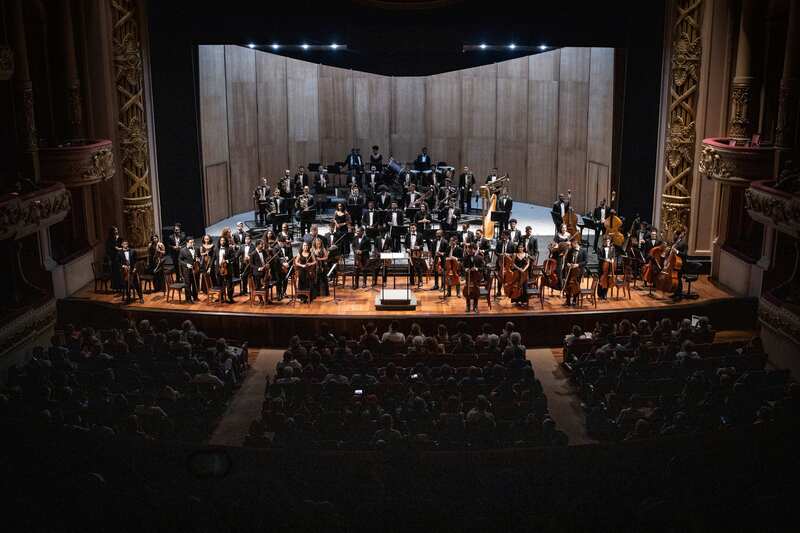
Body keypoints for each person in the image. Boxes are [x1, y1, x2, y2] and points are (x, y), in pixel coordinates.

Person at [562, 240, 586, 307]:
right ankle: (568, 301)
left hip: (578, 271)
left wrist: (578, 265)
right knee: (568, 285)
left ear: (576, 243)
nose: (572, 246)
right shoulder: (571, 250)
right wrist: (568, 263)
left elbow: (585, 261)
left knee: (576, 286)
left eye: (573, 244)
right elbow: (567, 259)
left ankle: (575, 300)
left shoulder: (583, 251)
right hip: (571, 271)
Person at [462, 243, 485, 313]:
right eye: (469, 249)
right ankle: (468, 306)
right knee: (467, 291)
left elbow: (483, 268)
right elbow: (463, 267)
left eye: (471, 249)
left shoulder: (480, 257)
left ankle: (475, 306)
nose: (469, 251)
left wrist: (477, 269)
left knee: (476, 291)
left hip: (476, 277)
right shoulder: (466, 257)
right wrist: (465, 269)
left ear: (475, 250)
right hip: (468, 276)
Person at [214, 236, 235, 303]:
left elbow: (234, 258)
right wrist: (209, 267)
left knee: (229, 285)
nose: (222, 242)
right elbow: (213, 258)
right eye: (221, 240)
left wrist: (227, 261)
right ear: (219, 241)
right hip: (219, 268)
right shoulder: (216, 249)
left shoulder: (229, 248)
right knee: (220, 284)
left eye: (223, 240)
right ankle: (221, 297)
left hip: (227, 268)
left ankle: (230, 298)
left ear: (225, 241)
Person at [179, 238, 199, 302]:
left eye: (193, 242)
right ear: (187, 242)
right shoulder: (183, 250)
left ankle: (195, 297)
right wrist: (186, 264)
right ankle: (188, 299)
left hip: (195, 269)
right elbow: (180, 260)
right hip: (187, 270)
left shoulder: (196, 249)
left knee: (195, 283)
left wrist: (198, 259)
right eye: (191, 242)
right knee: (188, 284)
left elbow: (199, 257)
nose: (192, 244)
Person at [670, 228, 689, 302]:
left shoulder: (684, 243)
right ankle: (675, 293)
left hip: (680, 264)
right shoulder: (677, 242)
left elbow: (685, 255)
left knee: (678, 279)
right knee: (675, 278)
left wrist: (677, 251)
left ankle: (679, 295)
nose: (675, 235)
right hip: (675, 263)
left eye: (676, 234)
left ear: (681, 234)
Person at [597, 235, 616, 300]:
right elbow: (599, 257)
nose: (607, 242)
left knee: (607, 281)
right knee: (601, 280)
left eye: (608, 241)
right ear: (604, 241)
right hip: (602, 267)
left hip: (609, 268)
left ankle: (605, 294)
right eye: (606, 241)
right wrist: (605, 259)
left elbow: (613, 255)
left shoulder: (612, 248)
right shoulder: (600, 248)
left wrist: (613, 259)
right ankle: (600, 294)